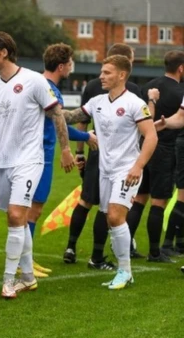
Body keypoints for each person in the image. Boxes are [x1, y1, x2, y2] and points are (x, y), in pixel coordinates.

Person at [0, 31, 74, 299]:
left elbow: (57, 115)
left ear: (4, 52)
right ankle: (27, 277)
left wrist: (65, 150)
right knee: (15, 219)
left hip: (30, 160)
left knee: (17, 215)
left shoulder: (34, 81)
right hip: (3, 162)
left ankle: (9, 281)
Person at [64, 55, 157, 289]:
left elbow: (151, 136)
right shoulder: (96, 101)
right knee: (111, 218)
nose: (101, 76)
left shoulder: (135, 103)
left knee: (115, 216)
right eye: (101, 72)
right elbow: (71, 117)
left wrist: (138, 166)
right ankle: (123, 269)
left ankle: (124, 271)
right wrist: (45, 109)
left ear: (122, 75)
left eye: (107, 72)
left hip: (126, 170)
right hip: (104, 170)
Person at [24, 43, 96, 278]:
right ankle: (22, 261)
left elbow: (62, 120)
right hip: (40, 155)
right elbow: (60, 126)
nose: (72, 67)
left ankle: (26, 258)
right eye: (71, 62)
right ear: (62, 65)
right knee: (33, 209)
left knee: (32, 208)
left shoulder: (40, 84)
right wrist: (86, 136)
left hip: (35, 153)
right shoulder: (50, 90)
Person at [132, 51, 184, 262]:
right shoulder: (180, 91)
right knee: (159, 201)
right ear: (181, 68)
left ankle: (126, 245)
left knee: (139, 198)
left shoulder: (148, 86)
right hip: (165, 148)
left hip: (144, 146)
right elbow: (180, 119)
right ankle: (156, 251)